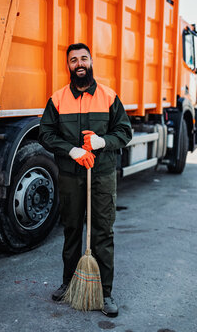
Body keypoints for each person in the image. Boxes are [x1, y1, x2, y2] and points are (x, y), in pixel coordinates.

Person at [39, 43, 132, 317]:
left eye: (83, 58)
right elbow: (45, 134)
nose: (79, 64)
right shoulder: (57, 99)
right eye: (73, 60)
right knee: (71, 230)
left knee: (103, 231)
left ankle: (104, 293)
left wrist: (103, 141)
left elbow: (125, 132)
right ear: (68, 66)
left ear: (91, 61)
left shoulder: (109, 96)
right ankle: (69, 283)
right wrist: (72, 150)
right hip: (70, 175)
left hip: (101, 176)